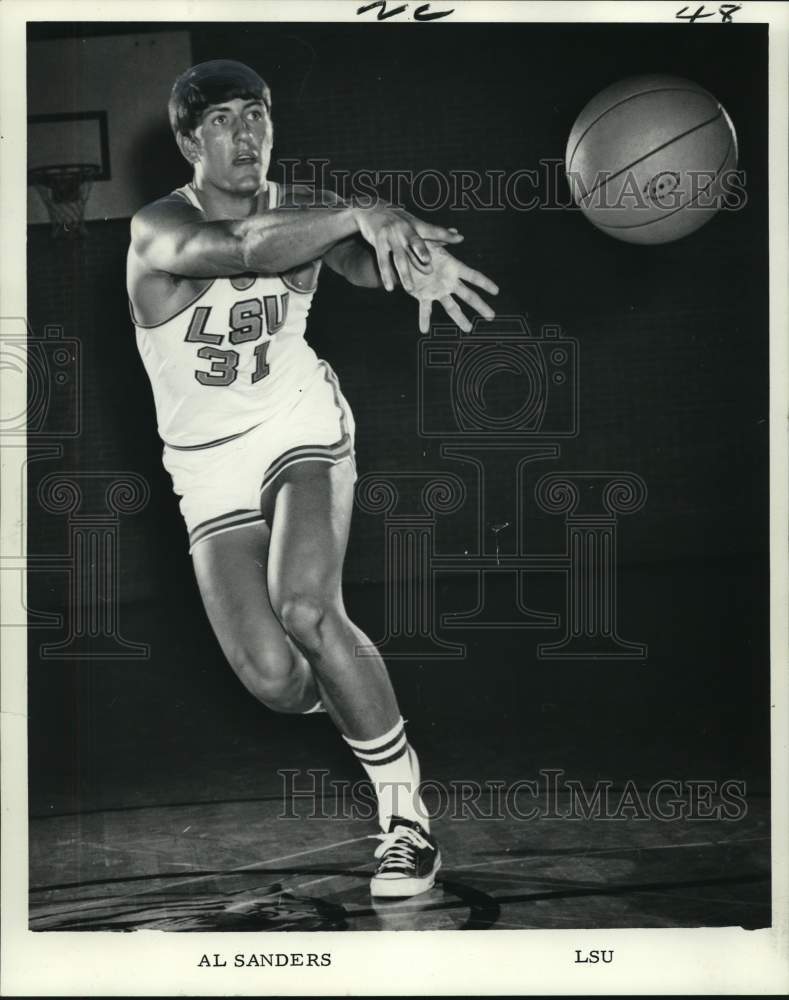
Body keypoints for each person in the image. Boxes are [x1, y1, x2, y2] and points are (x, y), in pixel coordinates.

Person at [127, 59, 498, 898]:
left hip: (298, 426)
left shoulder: (305, 213)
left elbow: (357, 263)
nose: (246, 132)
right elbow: (242, 248)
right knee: (273, 676)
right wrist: (362, 214)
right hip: (206, 462)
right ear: (190, 142)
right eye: (222, 120)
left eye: (256, 114)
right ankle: (366, 703)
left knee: (305, 605)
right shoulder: (156, 230)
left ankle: (406, 820)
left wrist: (401, 261)